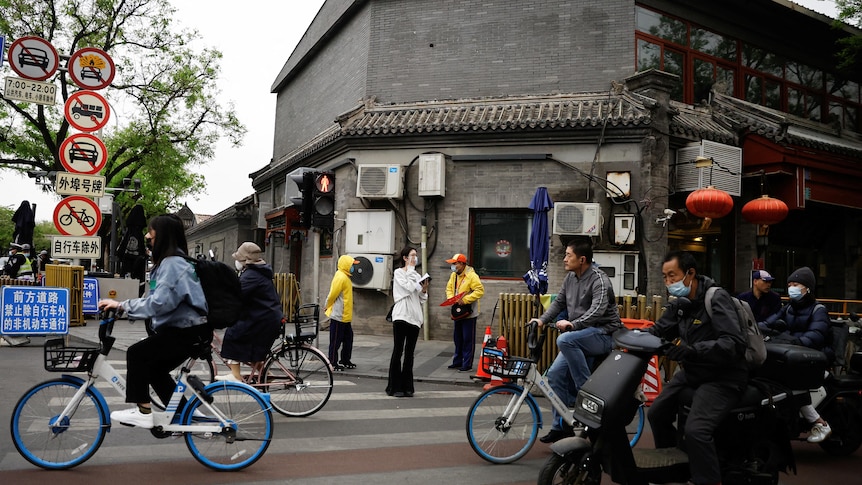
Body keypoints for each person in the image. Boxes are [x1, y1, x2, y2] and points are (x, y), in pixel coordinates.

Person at [97, 214, 211, 428]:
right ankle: (184, 415)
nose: (147, 237)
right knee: (155, 369)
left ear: (163, 238)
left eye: (151, 235)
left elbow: (159, 303)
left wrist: (122, 306)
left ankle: (143, 412)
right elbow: (154, 300)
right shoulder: (173, 262)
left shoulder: (172, 264)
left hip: (185, 332)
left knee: (136, 354)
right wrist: (123, 306)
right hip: (188, 330)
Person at [648, 251, 748, 485]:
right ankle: (674, 467)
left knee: (696, 432)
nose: (668, 283)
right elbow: (658, 330)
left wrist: (693, 350)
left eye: (672, 276)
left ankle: (707, 479)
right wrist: (627, 336)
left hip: (723, 377)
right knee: (656, 413)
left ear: (690, 273)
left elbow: (733, 343)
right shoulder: (681, 304)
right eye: (665, 277)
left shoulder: (716, 298)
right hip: (694, 372)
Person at [528, 240, 623, 443]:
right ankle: (561, 426)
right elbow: (559, 302)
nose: (564, 258)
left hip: (603, 333)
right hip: (580, 335)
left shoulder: (599, 279)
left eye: (568, 255)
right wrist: (542, 321)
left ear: (582, 259)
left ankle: (586, 390)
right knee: (553, 376)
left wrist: (573, 325)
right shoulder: (570, 277)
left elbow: (597, 310)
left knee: (565, 339)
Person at [759, 266, 833, 443]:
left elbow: (815, 336)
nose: (791, 288)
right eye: (789, 284)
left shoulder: (818, 310)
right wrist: (754, 328)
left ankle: (819, 422)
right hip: (792, 356)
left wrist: (793, 342)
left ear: (807, 288)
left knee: (791, 383)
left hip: (813, 358)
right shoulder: (788, 307)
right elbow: (769, 323)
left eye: (796, 284)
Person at [215, 242, 283, 382]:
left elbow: (236, 295)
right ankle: (266, 375)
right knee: (251, 351)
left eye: (238, 259)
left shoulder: (251, 275)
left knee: (233, 333)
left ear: (245, 261)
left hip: (263, 319)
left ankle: (235, 375)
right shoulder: (257, 273)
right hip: (266, 317)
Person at [386, 247, 429, 397]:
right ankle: (395, 387)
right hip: (401, 315)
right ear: (405, 258)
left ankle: (407, 387)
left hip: (414, 316)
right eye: (412, 255)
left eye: (416, 256)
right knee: (398, 350)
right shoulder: (399, 273)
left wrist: (424, 290)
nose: (415, 258)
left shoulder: (416, 275)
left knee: (410, 353)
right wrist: (411, 271)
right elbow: (408, 288)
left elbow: (422, 298)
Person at [445, 253, 485, 372]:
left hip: (469, 312)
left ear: (462, 264)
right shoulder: (454, 275)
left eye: (455, 263)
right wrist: (452, 298)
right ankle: (457, 361)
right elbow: (448, 288)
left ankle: (467, 364)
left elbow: (480, 291)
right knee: (457, 338)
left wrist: (465, 300)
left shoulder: (472, 276)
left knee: (468, 338)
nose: (453, 266)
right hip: (457, 311)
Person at [326, 254, 360, 371]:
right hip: (338, 316)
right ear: (346, 265)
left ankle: (345, 360)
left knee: (348, 339)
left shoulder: (345, 277)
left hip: (345, 316)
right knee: (335, 341)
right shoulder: (340, 277)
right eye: (351, 265)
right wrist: (327, 305)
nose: (353, 268)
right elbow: (332, 294)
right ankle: (333, 362)